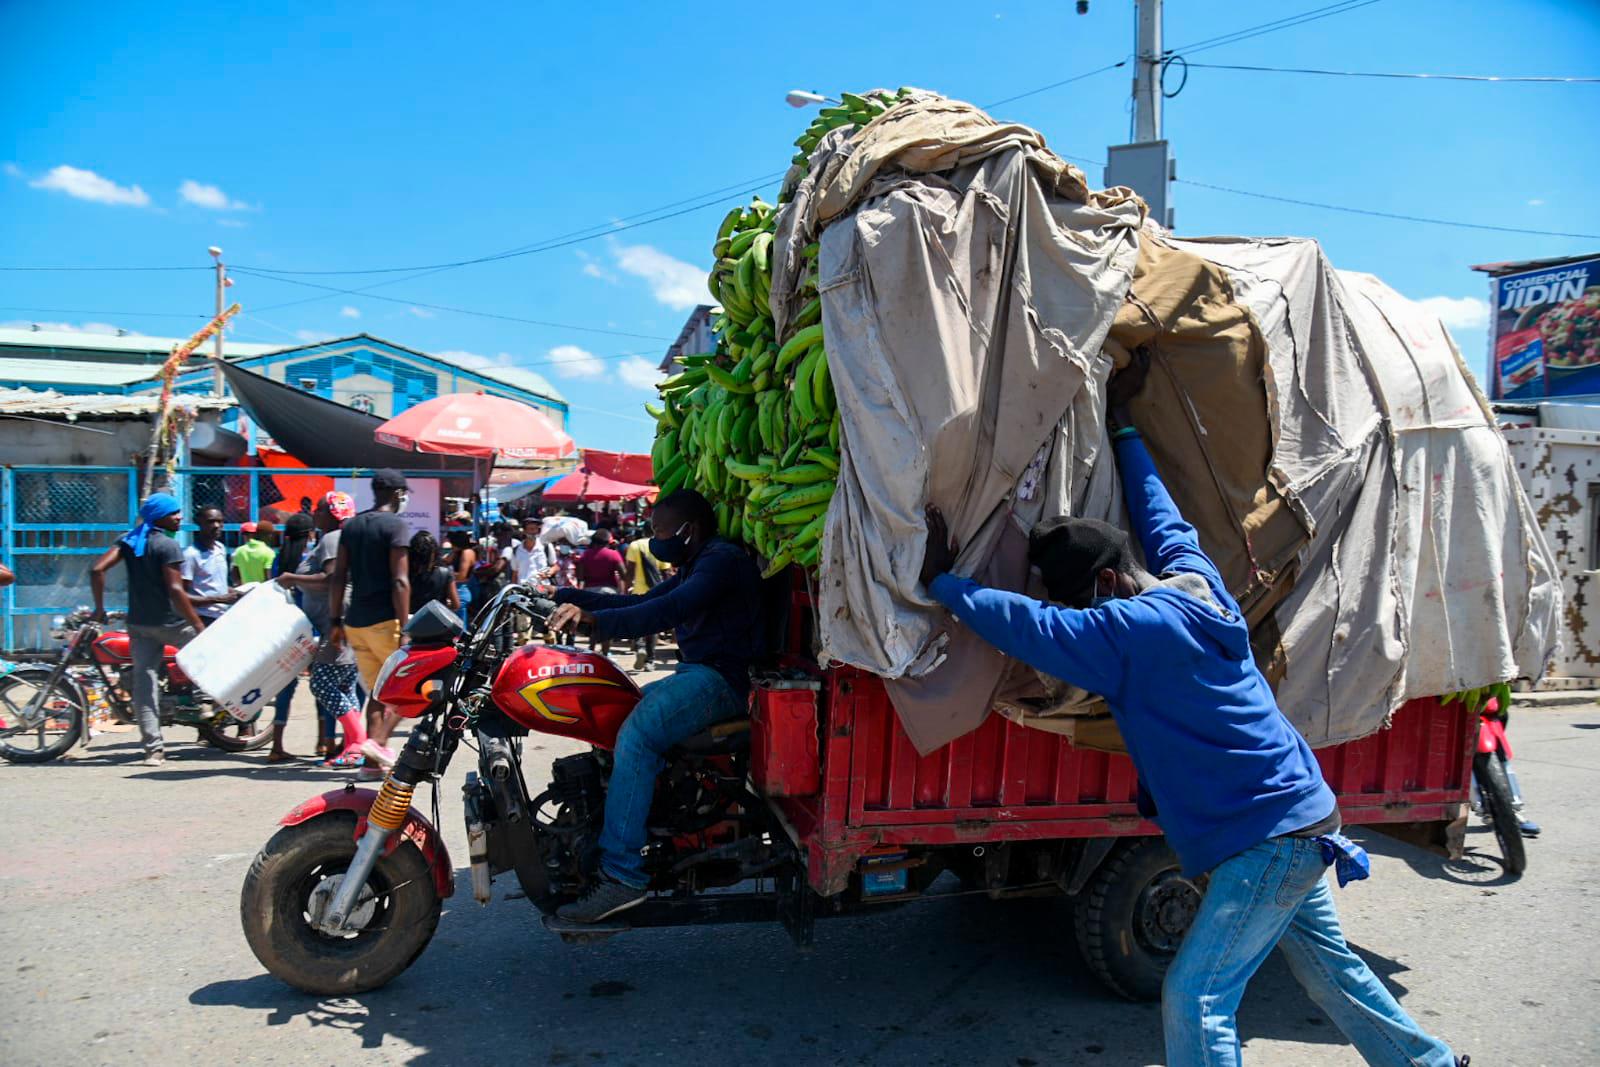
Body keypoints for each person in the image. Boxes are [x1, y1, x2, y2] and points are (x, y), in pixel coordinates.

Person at [918, 352, 1462, 1067]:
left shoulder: (1127, 633)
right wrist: (1125, 430)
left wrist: (945, 584)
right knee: (1333, 972)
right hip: (1298, 817)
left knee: (1194, 995)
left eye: (1080, 599)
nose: (1077, 614)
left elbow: (1033, 628)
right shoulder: (1196, 583)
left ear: (1108, 582)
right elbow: (1161, 514)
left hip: (1266, 836)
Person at [547, 489, 762, 922]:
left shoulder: (721, 561)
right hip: (699, 672)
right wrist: (564, 596)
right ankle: (649, 823)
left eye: (659, 532)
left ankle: (622, 876)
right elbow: (637, 601)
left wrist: (592, 621)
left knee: (638, 737)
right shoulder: (697, 562)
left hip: (725, 678)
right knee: (615, 713)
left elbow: (666, 611)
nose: (654, 539)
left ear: (690, 530)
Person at [88, 493, 208, 766]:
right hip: (172, 625)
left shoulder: (128, 541)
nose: (179, 517)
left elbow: (96, 570)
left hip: (139, 626)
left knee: (145, 685)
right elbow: (177, 590)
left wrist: (98, 608)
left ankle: (153, 749)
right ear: (160, 517)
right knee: (211, 660)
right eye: (174, 513)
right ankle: (209, 711)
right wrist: (198, 625)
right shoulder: (168, 546)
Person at [329, 470, 412, 771]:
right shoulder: (396, 526)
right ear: (396, 493)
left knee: (377, 692)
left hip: (355, 623)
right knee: (410, 691)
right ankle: (377, 744)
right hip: (385, 622)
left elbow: (339, 576)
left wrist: (334, 621)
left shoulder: (352, 526)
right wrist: (406, 628)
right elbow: (400, 581)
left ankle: (371, 764)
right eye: (404, 493)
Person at [277, 491, 367, 766]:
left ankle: (360, 744)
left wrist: (292, 578)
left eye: (319, 509)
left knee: (321, 684)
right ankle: (354, 749)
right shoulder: (343, 538)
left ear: (332, 513)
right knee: (345, 686)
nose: (314, 514)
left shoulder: (331, 539)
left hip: (335, 623)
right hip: (346, 620)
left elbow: (331, 579)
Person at [264, 511, 317, 762]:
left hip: (285, 629)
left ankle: (277, 745)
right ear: (309, 535)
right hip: (310, 627)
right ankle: (323, 742)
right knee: (321, 685)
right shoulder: (310, 559)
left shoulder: (279, 559)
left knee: (285, 687)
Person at [181, 507, 240, 624]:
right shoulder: (191, 555)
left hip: (222, 616)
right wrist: (218, 599)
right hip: (203, 618)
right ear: (199, 523)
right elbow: (182, 596)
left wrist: (235, 593)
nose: (217, 525)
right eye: (211, 522)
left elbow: (213, 584)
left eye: (220, 521)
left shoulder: (220, 548)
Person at [574, 529, 627, 656]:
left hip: (589, 592)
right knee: (606, 623)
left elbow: (580, 577)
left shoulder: (585, 555)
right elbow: (624, 574)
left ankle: (591, 649)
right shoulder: (613, 554)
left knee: (593, 623)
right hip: (609, 592)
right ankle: (605, 653)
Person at [623, 525, 664, 669]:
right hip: (657, 592)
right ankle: (650, 661)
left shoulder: (634, 545)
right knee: (653, 626)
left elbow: (630, 572)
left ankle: (640, 646)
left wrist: (626, 588)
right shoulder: (660, 545)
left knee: (637, 620)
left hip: (638, 591)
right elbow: (665, 572)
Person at [407, 530, 458, 615]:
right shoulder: (445, 573)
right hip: (435, 621)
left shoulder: (406, 573)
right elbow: (456, 605)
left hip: (410, 620)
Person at [446, 530, 479, 623]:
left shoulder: (467, 552)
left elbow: (462, 575)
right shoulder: (457, 552)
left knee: (459, 626)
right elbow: (446, 561)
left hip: (461, 590)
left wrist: (446, 576)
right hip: (457, 589)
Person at [230, 519, 277, 585]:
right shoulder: (269, 552)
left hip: (245, 592)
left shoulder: (239, 551)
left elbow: (235, 575)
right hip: (262, 592)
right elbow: (268, 578)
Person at [515, 517, 552, 585]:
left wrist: (548, 573)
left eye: (536, 529)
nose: (533, 532)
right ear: (524, 531)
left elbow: (555, 566)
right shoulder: (516, 550)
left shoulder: (546, 546)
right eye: (531, 529)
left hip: (542, 588)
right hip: (523, 589)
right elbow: (515, 572)